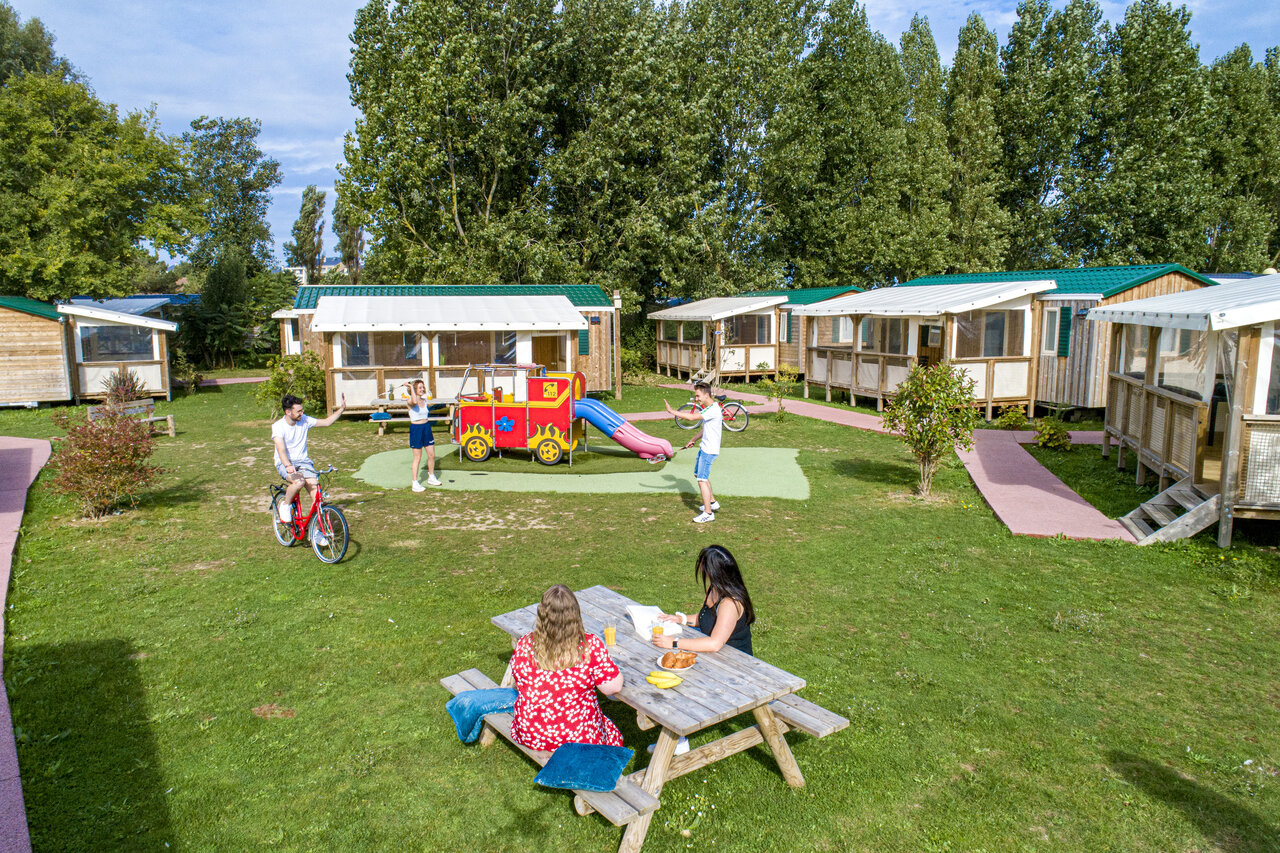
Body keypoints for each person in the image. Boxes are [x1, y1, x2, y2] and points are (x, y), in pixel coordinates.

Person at [509, 584, 625, 752]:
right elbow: (612, 688)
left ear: (542, 614)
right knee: (611, 733)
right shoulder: (588, 646)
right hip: (576, 738)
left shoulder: (525, 644)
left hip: (531, 732)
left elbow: (519, 677)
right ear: (575, 614)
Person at [654, 544, 754, 656]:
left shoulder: (729, 604)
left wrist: (673, 642)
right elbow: (707, 618)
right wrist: (681, 619)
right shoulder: (714, 589)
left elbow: (714, 644)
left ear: (711, 571)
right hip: (714, 656)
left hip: (736, 663)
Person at [271, 392, 346, 542]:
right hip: (284, 462)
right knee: (298, 482)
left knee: (317, 499)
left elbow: (326, 422)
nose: (302, 413)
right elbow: (281, 449)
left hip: (304, 462)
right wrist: (288, 465)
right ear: (288, 412)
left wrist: (342, 409)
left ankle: (316, 532)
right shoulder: (278, 426)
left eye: (302, 410)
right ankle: (285, 505)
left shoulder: (304, 420)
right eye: (298, 411)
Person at [664, 381, 722, 523]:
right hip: (704, 447)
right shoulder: (710, 408)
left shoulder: (712, 410)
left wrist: (672, 412)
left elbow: (691, 417)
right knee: (699, 474)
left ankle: (708, 513)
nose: (696, 399)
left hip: (709, 451)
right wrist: (694, 439)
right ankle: (713, 503)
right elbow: (705, 428)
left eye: (698, 396)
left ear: (707, 395)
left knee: (702, 479)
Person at [404, 379, 441, 490]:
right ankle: (415, 483)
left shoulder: (424, 400)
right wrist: (410, 386)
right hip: (416, 429)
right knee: (417, 458)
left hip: (426, 428)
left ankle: (431, 477)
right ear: (415, 390)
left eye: (423, 387)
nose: (422, 389)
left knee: (431, 455)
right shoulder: (410, 401)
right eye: (420, 387)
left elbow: (426, 401)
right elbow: (414, 402)